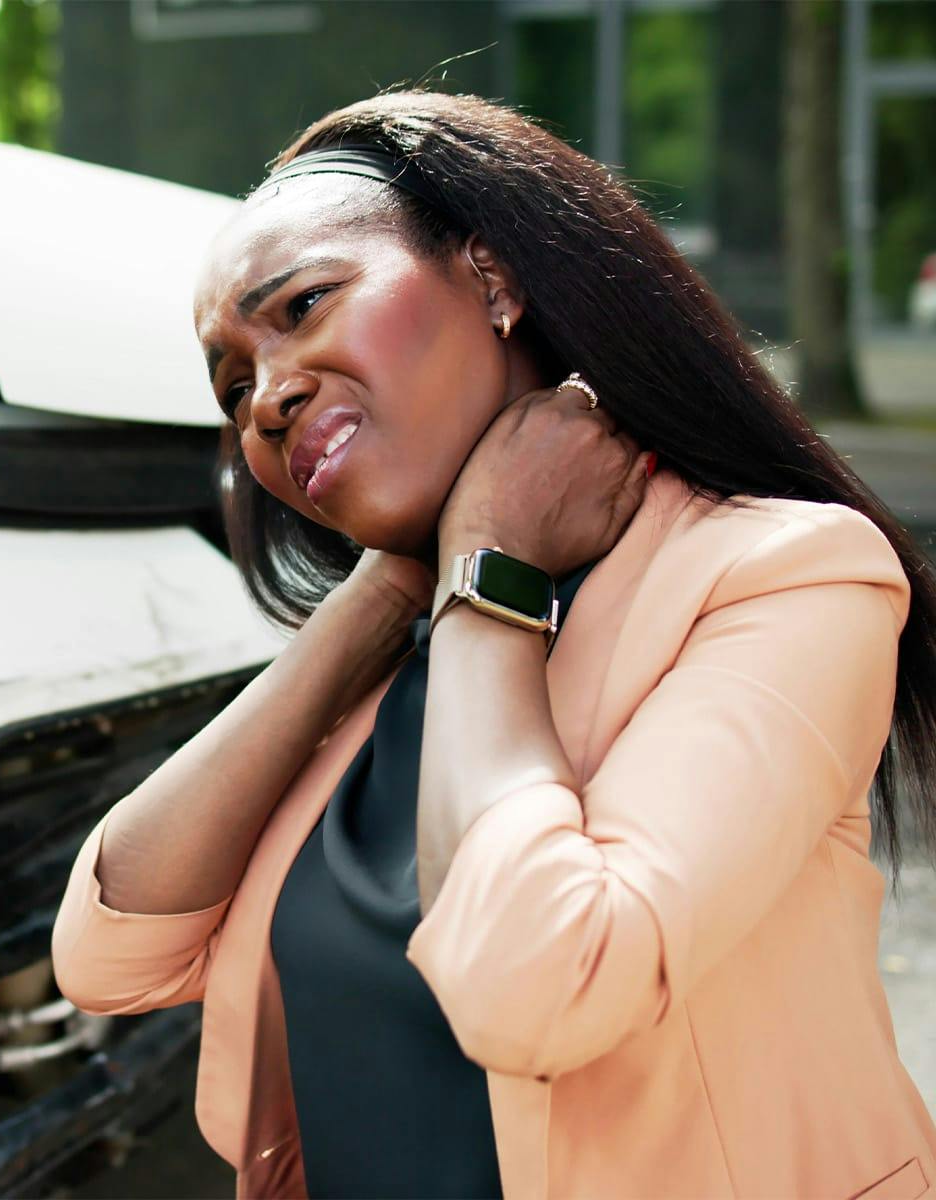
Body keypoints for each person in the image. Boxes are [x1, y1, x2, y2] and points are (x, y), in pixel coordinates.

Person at [51, 88, 936, 1199]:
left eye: (305, 306)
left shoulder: (786, 576)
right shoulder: (397, 648)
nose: (266, 397)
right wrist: (381, 598)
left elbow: (539, 987)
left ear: (492, 278)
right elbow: (107, 953)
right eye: (232, 386)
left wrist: (487, 567)